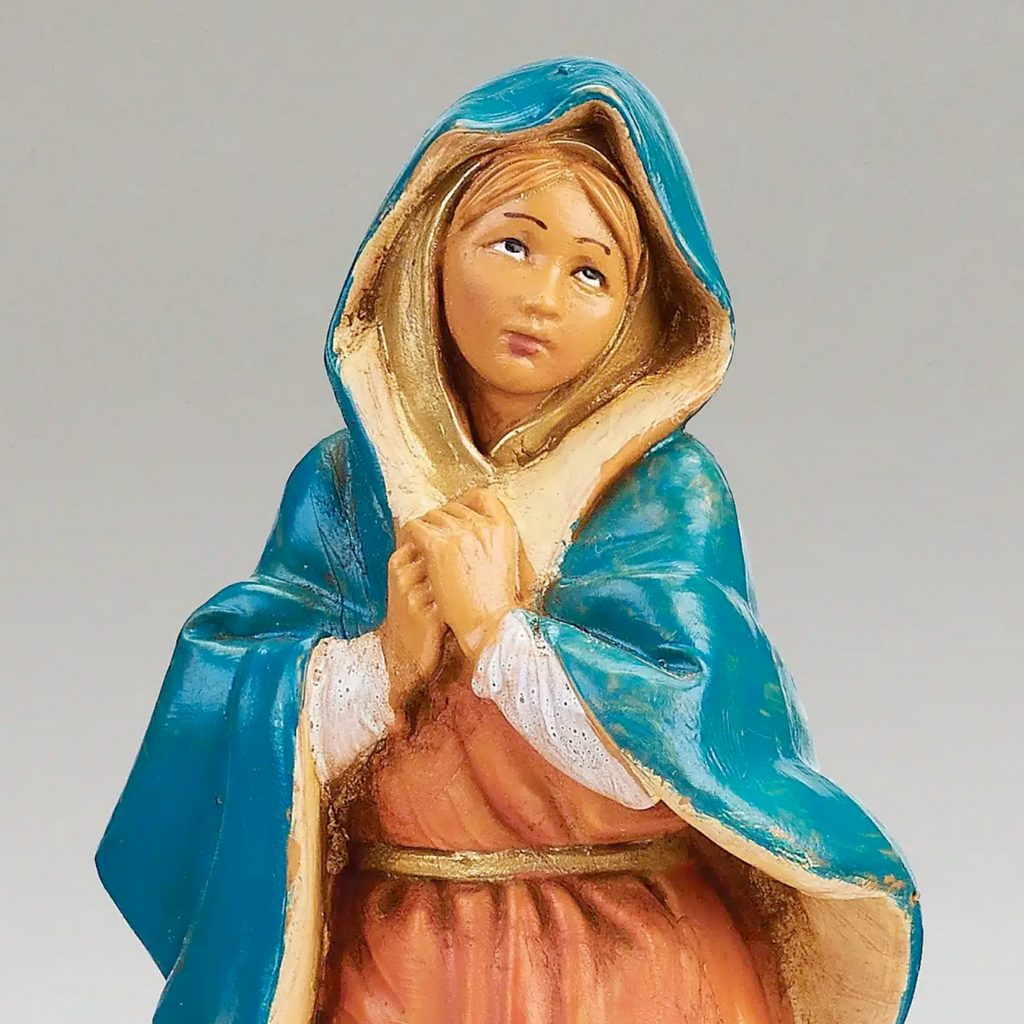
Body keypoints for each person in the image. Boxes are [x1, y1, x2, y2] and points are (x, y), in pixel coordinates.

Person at [97, 59, 921, 1024]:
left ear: (638, 311)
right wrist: (382, 667)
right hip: (397, 961)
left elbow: (702, 744)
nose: (543, 297)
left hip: (632, 961)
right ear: (432, 248)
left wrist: (499, 635)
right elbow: (230, 707)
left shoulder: (665, 496)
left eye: (590, 272)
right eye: (512, 244)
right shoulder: (345, 487)